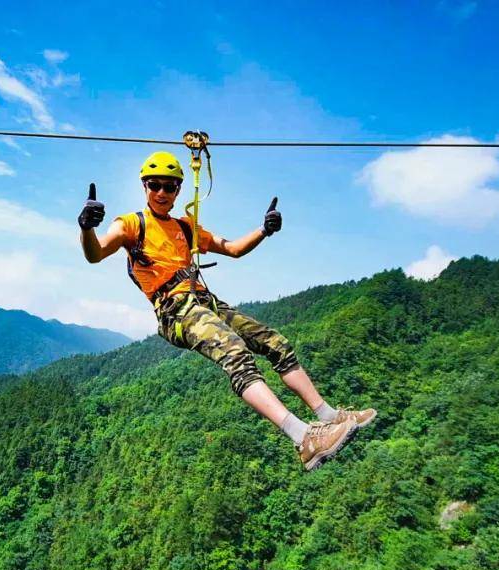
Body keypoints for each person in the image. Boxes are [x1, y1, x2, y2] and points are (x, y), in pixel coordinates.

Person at [78, 151, 376, 470]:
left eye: (170, 186)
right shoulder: (130, 224)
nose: (162, 193)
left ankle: (328, 416)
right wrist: (86, 228)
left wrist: (264, 230)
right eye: (155, 185)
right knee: (234, 351)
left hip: (206, 302)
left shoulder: (185, 227)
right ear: (144, 186)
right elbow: (95, 254)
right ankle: (304, 438)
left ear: (179, 190)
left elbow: (232, 249)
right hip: (174, 310)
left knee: (275, 343)